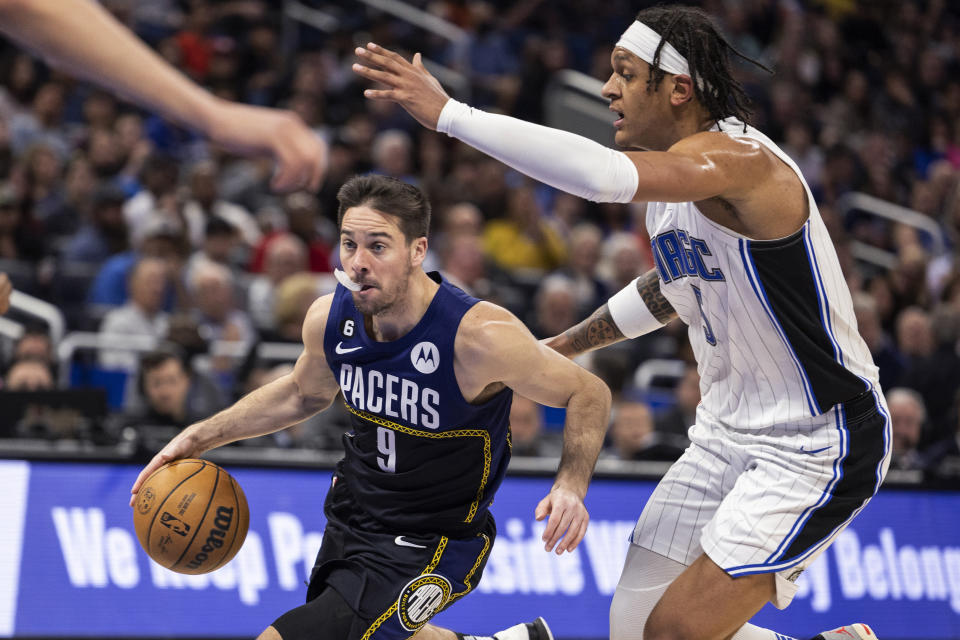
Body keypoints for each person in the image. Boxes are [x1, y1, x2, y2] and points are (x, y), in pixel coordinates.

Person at [352, 6, 890, 640]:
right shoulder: (673, 188)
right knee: (634, 625)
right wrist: (561, 346)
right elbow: (672, 288)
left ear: (678, 90)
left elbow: (601, 179)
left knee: (676, 633)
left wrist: (451, 115)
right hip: (726, 430)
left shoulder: (742, 163)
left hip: (817, 440)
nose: (608, 88)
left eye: (625, 74)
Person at [130, 174, 611, 640]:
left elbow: (588, 392)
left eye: (377, 246)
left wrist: (571, 485)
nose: (358, 262)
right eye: (348, 244)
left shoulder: (478, 336)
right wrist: (198, 437)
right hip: (353, 513)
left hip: (434, 540)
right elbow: (303, 392)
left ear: (417, 251)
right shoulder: (329, 317)